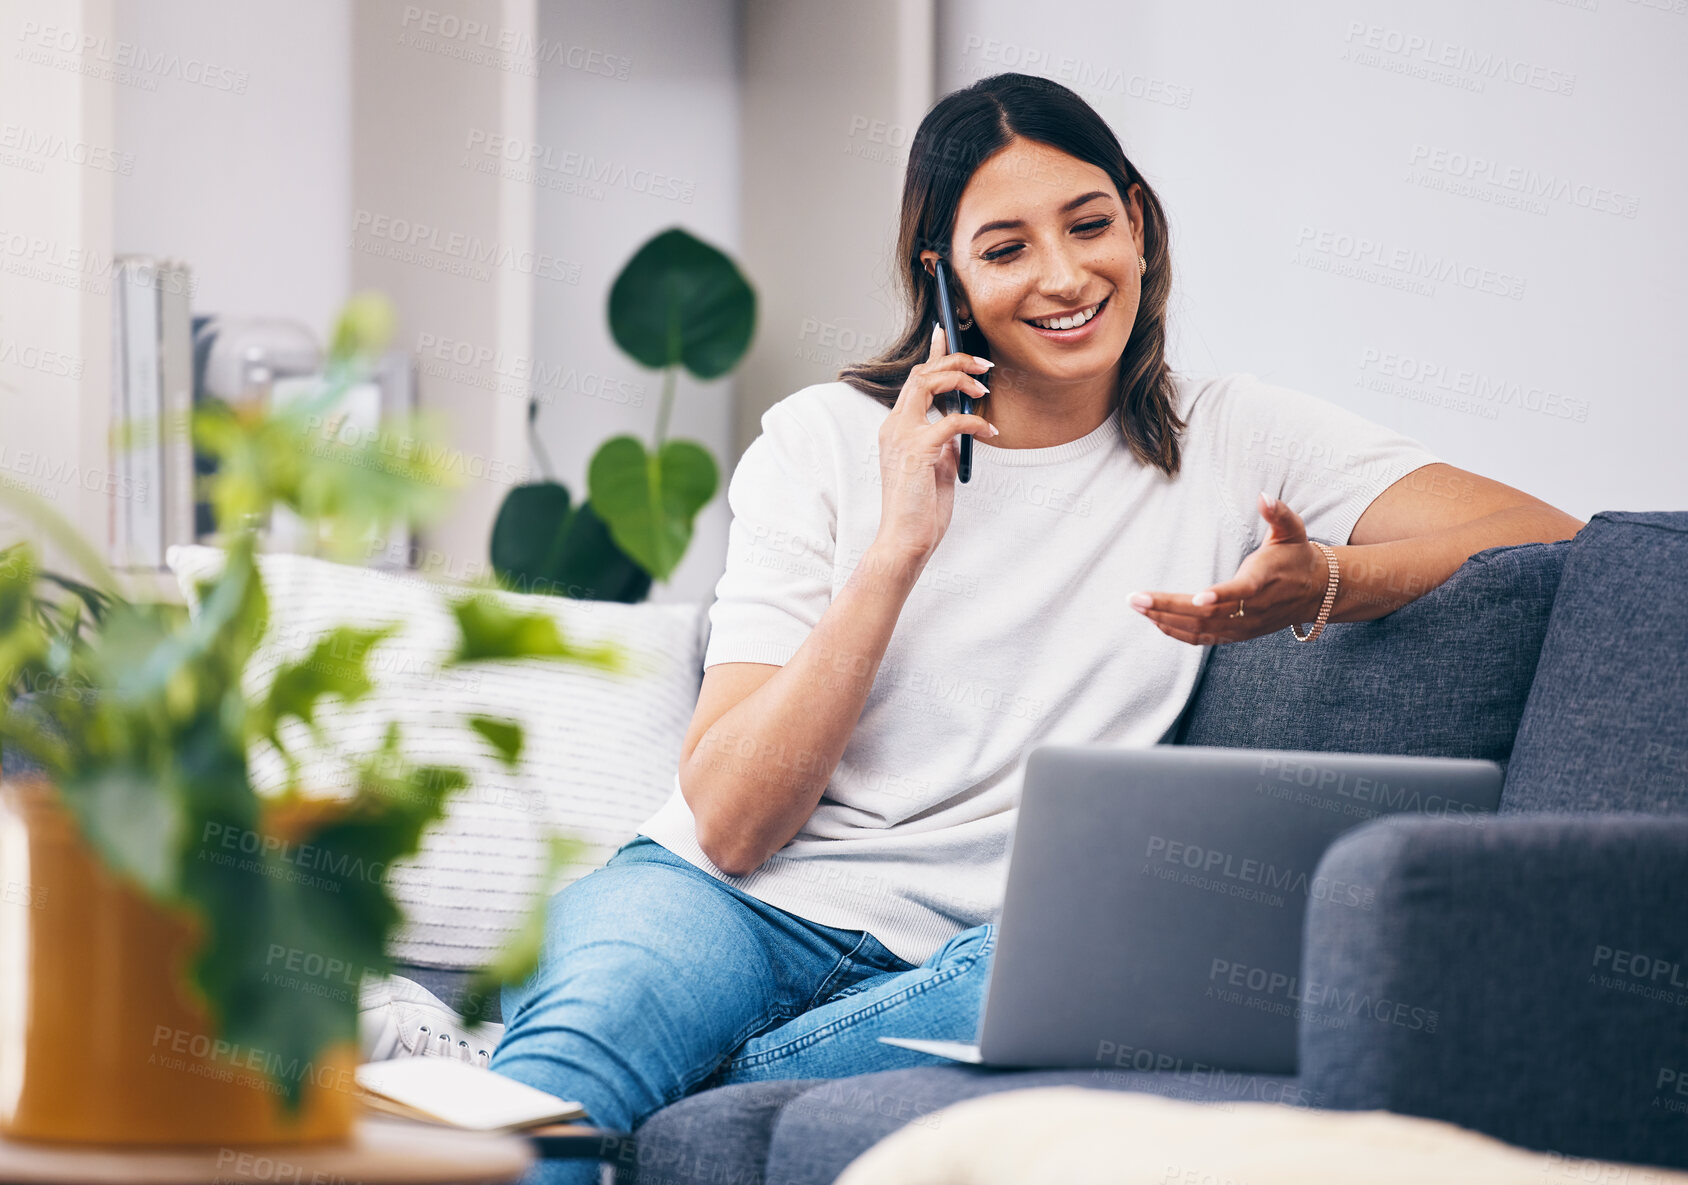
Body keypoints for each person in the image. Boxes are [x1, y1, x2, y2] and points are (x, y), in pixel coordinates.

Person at [488, 72, 1583, 1183]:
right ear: (944, 278)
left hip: (982, 953)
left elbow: (1552, 535)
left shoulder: (1231, 436)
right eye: (1004, 248)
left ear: (1139, 224)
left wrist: (1333, 582)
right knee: (566, 1081)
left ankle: (680, 1088)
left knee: (1142, 963)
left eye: (1089, 225)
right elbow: (727, 828)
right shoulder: (820, 440)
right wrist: (896, 549)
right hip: (724, 904)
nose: (1064, 277)